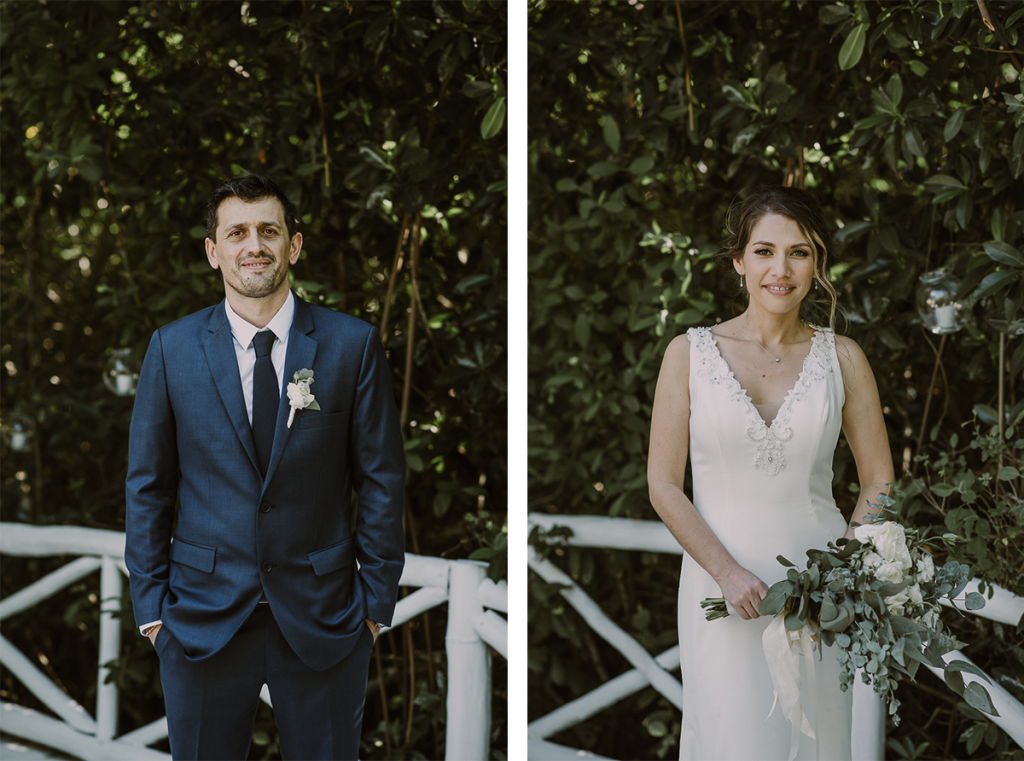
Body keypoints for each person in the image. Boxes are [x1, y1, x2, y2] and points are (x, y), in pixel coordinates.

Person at [125, 174, 406, 761]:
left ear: (293, 246)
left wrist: (374, 608)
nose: (254, 245)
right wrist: (152, 611)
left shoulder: (351, 345)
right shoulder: (171, 350)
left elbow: (381, 479)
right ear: (214, 251)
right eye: (238, 233)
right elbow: (149, 486)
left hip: (326, 617)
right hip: (200, 618)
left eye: (268, 231)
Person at [648, 186, 894, 760]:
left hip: (820, 590)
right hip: (722, 590)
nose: (780, 270)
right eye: (763, 251)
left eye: (799, 253)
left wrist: (843, 573)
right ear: (738, 262)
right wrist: (728, 573)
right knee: (734, 738)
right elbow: (662, 485)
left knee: (815, 740)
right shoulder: (689, 354)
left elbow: (879, 478)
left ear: (816, 263)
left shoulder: (845, 358)